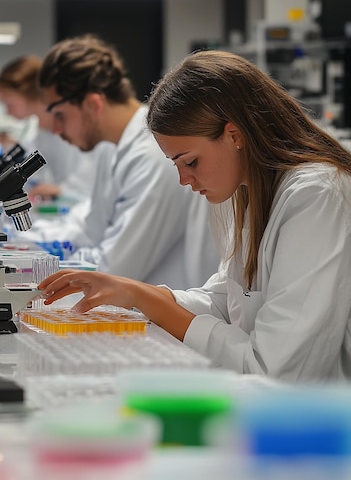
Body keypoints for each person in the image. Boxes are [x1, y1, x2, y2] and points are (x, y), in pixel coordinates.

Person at [39, 49, 351, 383]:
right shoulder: (248, 189)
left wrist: (145, 298)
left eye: (190, 162)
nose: (184, 180)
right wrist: (133, 292)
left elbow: (275, 371)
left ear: (234, 135)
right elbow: (225, 300)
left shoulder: (317, 194)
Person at [32, 35, 218, 288]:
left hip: (171, 315)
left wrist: (33, 269)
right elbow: (90, 234)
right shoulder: (112, 149)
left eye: (60, 116)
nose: (55, 129)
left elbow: (115, 269)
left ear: (92, 103)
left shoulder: (153, 153)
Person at [0, 55, 98, 203]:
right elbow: (26, 159)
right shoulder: (42, 132)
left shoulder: (71, 129)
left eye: (9, 103)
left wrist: (61, 191)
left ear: (29, 93)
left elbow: (89, 187)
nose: (8, 112)